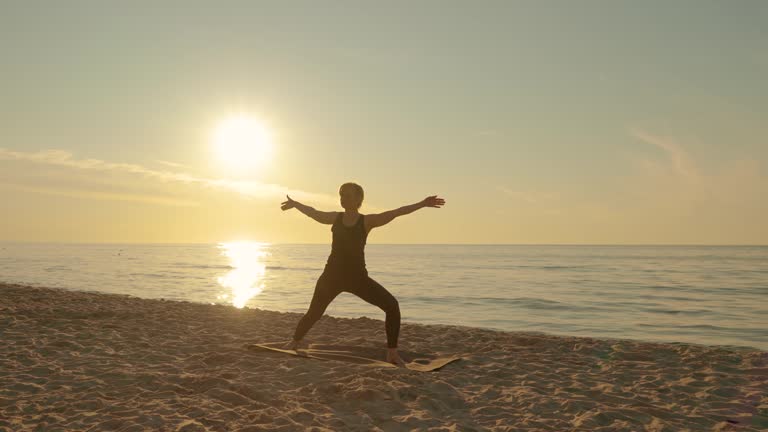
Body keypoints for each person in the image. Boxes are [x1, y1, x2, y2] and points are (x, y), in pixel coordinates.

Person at [280, 182, 445, 366]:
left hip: (357, 278)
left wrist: (422, 204)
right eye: (341, 195)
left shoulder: (367, 221)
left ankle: (391, 353)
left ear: (359, 199)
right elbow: (313, 212)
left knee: (392, 306)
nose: (343, 198)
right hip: (331, 277)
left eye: (348, 195)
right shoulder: (335, 218)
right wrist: (296, 204)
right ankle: (294, 342)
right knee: (314, 312)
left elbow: (397, 212)